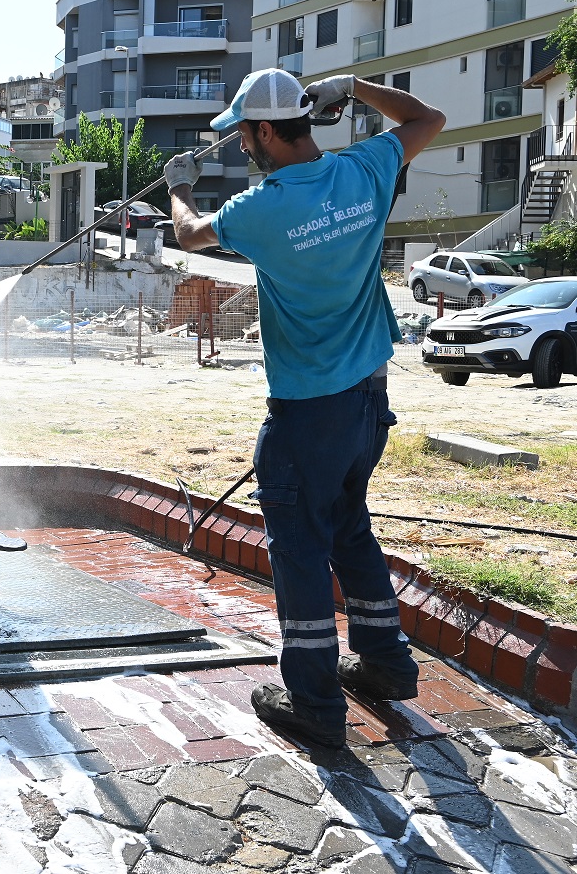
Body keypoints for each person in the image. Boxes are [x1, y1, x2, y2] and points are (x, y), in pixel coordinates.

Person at [164, 69, 445, 749]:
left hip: (306, 412)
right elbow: (427, 119)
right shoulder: (363, 170)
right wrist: (354, 86)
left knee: (299, 550)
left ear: (265, 131)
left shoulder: (263, 208)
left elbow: (192, 236)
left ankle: (316, 704)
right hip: (367, 402)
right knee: (349, 532)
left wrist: (177, 186)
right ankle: (384, 666)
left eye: (242, 135)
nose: (239, 148)